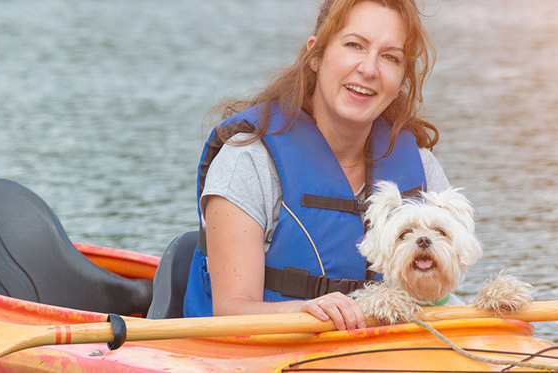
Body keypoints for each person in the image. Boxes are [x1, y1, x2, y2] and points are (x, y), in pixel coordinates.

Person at [182, 0, 450, 331]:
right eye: (355, 45)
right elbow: (231, 309)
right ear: (316, 56)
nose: (369, 69)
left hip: (383, 352)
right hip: (258, 353)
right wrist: (305, 310)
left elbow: (444, 296)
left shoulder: (424, 170)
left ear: (400, 80)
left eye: (390, 57)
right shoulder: (248, 161)